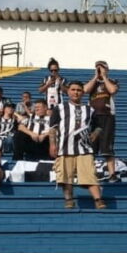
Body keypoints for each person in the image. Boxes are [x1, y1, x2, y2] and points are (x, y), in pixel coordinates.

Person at [48, 81, 105, 209]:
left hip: (84, 148)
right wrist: (52, 144)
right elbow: (52, 128)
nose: (76, 92)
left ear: (83, 93)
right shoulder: (60, 108)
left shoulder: (90, 110)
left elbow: (99, 126)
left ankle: (98, 199)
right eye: (73, 89)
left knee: (90, 174)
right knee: (65, 176)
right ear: (68, 91)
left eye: (79, 90)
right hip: (64, 147)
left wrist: (94, 134)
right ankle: (69, 199)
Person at [87, 61, 119, 180]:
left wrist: (104, 77)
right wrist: (96, 76)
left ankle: (112, 173)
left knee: (107, 147)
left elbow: (112, 90)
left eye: (102, 68)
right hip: (93, 117)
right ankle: (91, 172)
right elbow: (85, 89)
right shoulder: (93, 83)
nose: (99, 70)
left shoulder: (111, 81)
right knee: (91, 146)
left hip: (107, 116)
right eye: (97, 68)